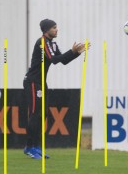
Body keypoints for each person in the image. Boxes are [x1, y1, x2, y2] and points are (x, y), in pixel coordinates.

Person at [23, 19, 91, 159]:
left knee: (43, 115)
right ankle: (30, 147)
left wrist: (76, 53)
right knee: (35, 115)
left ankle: (36, 147)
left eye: (56, 27)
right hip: (33, 82)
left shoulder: (52, 43)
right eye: (54, 28)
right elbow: (54, 60)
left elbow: (63, 60)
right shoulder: (42, 42)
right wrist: (71, 51)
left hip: (41, 82)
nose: (56, 29)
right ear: (46, 30)